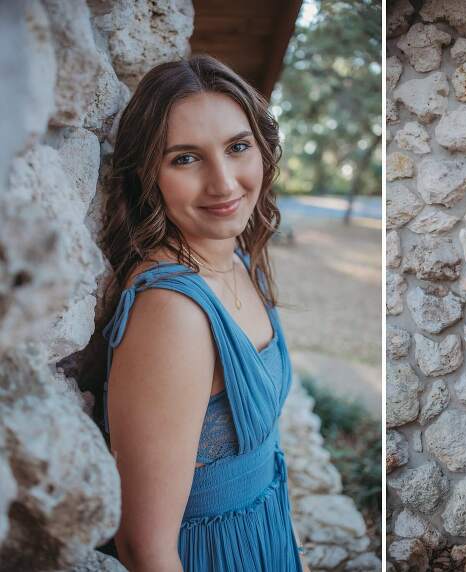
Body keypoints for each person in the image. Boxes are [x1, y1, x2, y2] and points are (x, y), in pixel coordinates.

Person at [95, 54, 307, 571]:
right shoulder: (173, 313)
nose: (224, 184)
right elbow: (145, 547)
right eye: (185, 158)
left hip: (262, 535)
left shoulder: (236, 257)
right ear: (148, 175)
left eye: (238, 148)